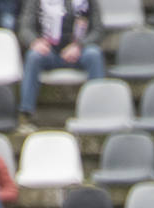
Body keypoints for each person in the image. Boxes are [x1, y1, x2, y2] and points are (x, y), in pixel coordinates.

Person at [16, 0, 105, 131]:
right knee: (33, 56)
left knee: (94, 54)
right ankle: (26, 115)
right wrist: (35, 42)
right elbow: (25, 28)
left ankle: (97, 112)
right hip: (49, 51)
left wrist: (80, 45)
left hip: (78, 51)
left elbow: (98, 30)